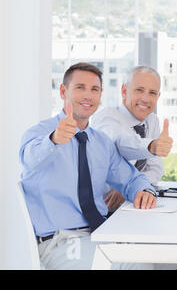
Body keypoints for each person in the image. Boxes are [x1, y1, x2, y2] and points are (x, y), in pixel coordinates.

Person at [19, 62, 158, 270]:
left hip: (98, 234)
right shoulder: (40, 133)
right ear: (63, 91)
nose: (88, 95)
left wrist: (144, 190)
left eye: (94, 89)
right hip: (60, 242)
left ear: (100, 95)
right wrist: (54, 140)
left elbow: (130, 178)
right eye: (80, 88)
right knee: (137, 266)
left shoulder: (101, 143)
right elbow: (29, 159)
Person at [91, 66, 172, 212]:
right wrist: (151, 146)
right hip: (104, 209)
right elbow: (120, 143)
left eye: (152, 93)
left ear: (158, 96)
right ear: (124, 91)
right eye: (139, 90)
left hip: (132, 205)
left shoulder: (152, 121)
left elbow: (155, 169)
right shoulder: (107, 116)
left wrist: (132, 188)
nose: (146, 99)